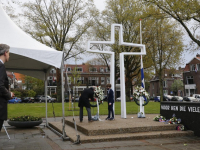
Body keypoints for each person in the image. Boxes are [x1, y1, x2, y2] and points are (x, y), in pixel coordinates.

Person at [0, 44, 15, 131]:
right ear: (5, 53)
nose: (9, 55)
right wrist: (9, 94)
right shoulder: (1, 65)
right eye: (9, 53)